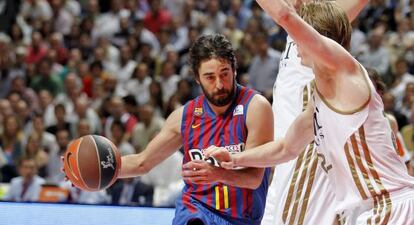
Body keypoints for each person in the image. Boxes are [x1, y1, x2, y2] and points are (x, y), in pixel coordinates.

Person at [206, 1, 414, 224]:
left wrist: (292, 19)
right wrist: (234, 159)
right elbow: (285, 148)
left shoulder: (343, 68)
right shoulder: (317, 103)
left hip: (390, 207)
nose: (294, 44)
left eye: (297, 36)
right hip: (366, 212)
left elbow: (285, 15)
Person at [119, 34, 274, 225]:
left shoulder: (256, 107)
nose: (219, 84)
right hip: (195, 209)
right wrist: (100, 170)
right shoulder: (184, 116)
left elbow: (254, 179)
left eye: (224, 73)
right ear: (197, 78)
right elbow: (141, 163)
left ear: (234, 70)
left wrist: (218, 173)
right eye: (210, 77)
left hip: (240, 218)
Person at [260, 0, 368, 224]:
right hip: (284, 152)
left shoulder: (318, 29)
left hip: (305, 147)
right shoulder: (295, 35)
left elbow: (282, 13)